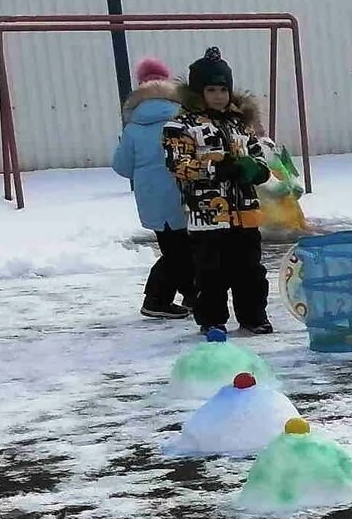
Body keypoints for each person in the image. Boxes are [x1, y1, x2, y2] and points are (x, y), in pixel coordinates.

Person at [159, 47, 272, 334]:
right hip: (208, 215)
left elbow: (258, 154)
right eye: (211, 89)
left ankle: (253, 316)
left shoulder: (239, 123)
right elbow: (178, 165)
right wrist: (215, 169)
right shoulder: (181, 126)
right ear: (199, 92)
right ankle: (212, 320)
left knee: (250, 270)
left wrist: (256, 169)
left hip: (245, 212)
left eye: (223, 89)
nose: (219, 95)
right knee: (211, 273)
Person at [112, 56, 186, 319]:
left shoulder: (133, 127)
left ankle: (187, 296)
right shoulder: (184, 120)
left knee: (174, 249)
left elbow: (121, 167)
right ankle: (157, 299)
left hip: (152, 200)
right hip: (186, 194)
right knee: (185, 250)